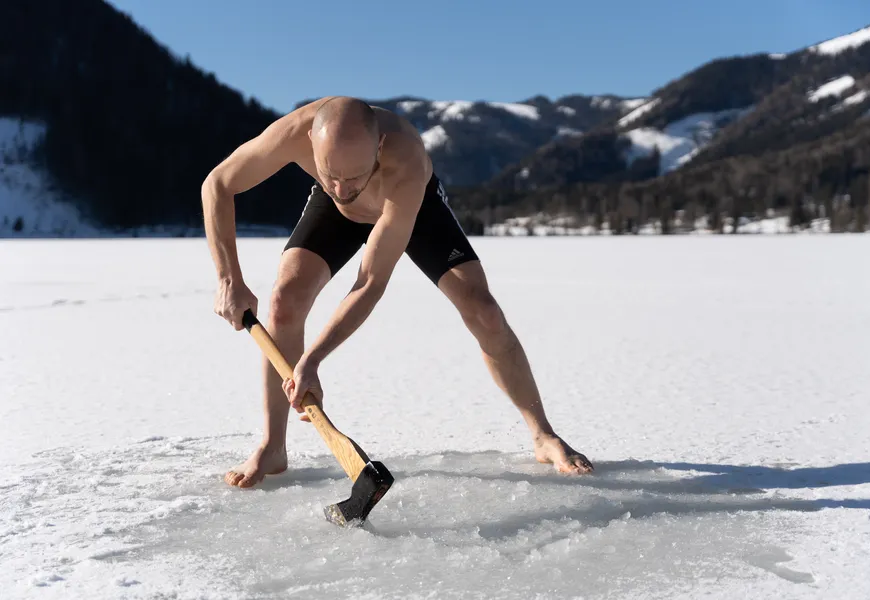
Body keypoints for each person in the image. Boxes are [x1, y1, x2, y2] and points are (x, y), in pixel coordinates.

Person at [201, 96, 593, 488]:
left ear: (379, 147)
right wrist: (228, 278)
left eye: (353, 176)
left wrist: (313, 358)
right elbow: (218, 184)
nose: (341, 187)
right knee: (284, 302)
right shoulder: (296, 136)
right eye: (330, 173)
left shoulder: (407, 161)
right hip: (337, 216)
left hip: (410, 207)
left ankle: (543, 434)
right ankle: (273, 446)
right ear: (311, 143)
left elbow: (369, 282)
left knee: (483, 310)